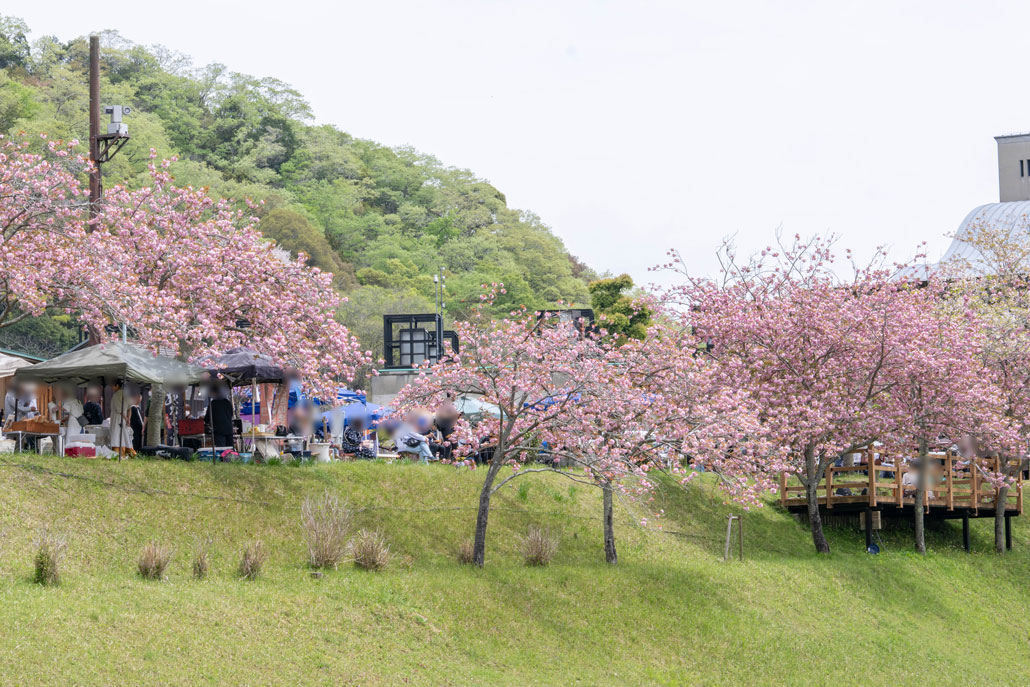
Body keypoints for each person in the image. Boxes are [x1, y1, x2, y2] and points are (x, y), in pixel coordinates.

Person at [204, 383, 234, 454]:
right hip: (229, 429)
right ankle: (232, 461)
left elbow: (207, 418)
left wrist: (205, 421)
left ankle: (223, 463)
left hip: (219, 431)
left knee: (221, 450)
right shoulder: (227, 402)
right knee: (230, 450)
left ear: (213, 393)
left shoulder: (213, 404)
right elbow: (231, 414)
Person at [108, 379, 133, 458]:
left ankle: (118, 453)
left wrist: (126, 419)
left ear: (117, 385)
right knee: (124, 436)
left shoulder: (116, 395)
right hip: (124, 417)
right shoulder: (126, 394)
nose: (112, 387)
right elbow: (130, 408)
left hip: (118, 418)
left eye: (112, 386)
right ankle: (128, 453)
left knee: (117, 435)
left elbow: (120, 410)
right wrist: (128, 419)